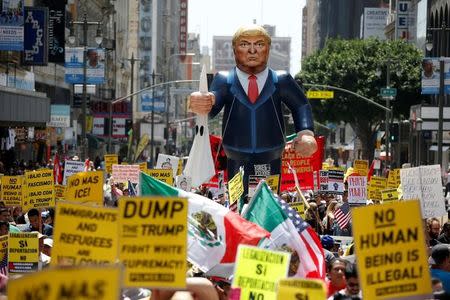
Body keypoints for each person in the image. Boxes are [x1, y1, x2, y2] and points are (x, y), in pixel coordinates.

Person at [189, 25, 317, 196]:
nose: (252, 50)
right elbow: (212, 105)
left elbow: (300, 105)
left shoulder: (281, 80)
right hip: (236, 159)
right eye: (244, 44)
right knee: (239, 208)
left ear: (268, 49)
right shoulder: (224, 80)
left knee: (268, 206)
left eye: (259, 44)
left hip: (271, 159)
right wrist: (202, 102)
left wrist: (306, 132)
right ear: (234, 49)